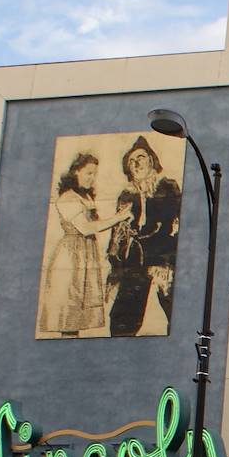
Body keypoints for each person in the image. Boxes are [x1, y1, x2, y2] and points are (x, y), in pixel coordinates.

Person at [37, 153, 131, 336]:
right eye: (88, 173)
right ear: (76, 172)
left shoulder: (84, 197)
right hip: (70, 259)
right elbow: (86, 228)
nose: (92, 178)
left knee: (78, 316)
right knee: (69, 314)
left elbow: (97, 224)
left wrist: (119, 217)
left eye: (94, 174)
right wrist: (118, 217)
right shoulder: (67, 198)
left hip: (85, 257)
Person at [107, 136, 181, 337]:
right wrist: (115, 267)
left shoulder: (167, 186)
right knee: (121, 321)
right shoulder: (127, 194)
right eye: (131, 161)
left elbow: (175, 224)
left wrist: (169, 262)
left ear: (151, 160)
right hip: (135, 261)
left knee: (177, 314)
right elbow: (117, 236)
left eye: (141, 157)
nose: (136, 163)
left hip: (162, 260)